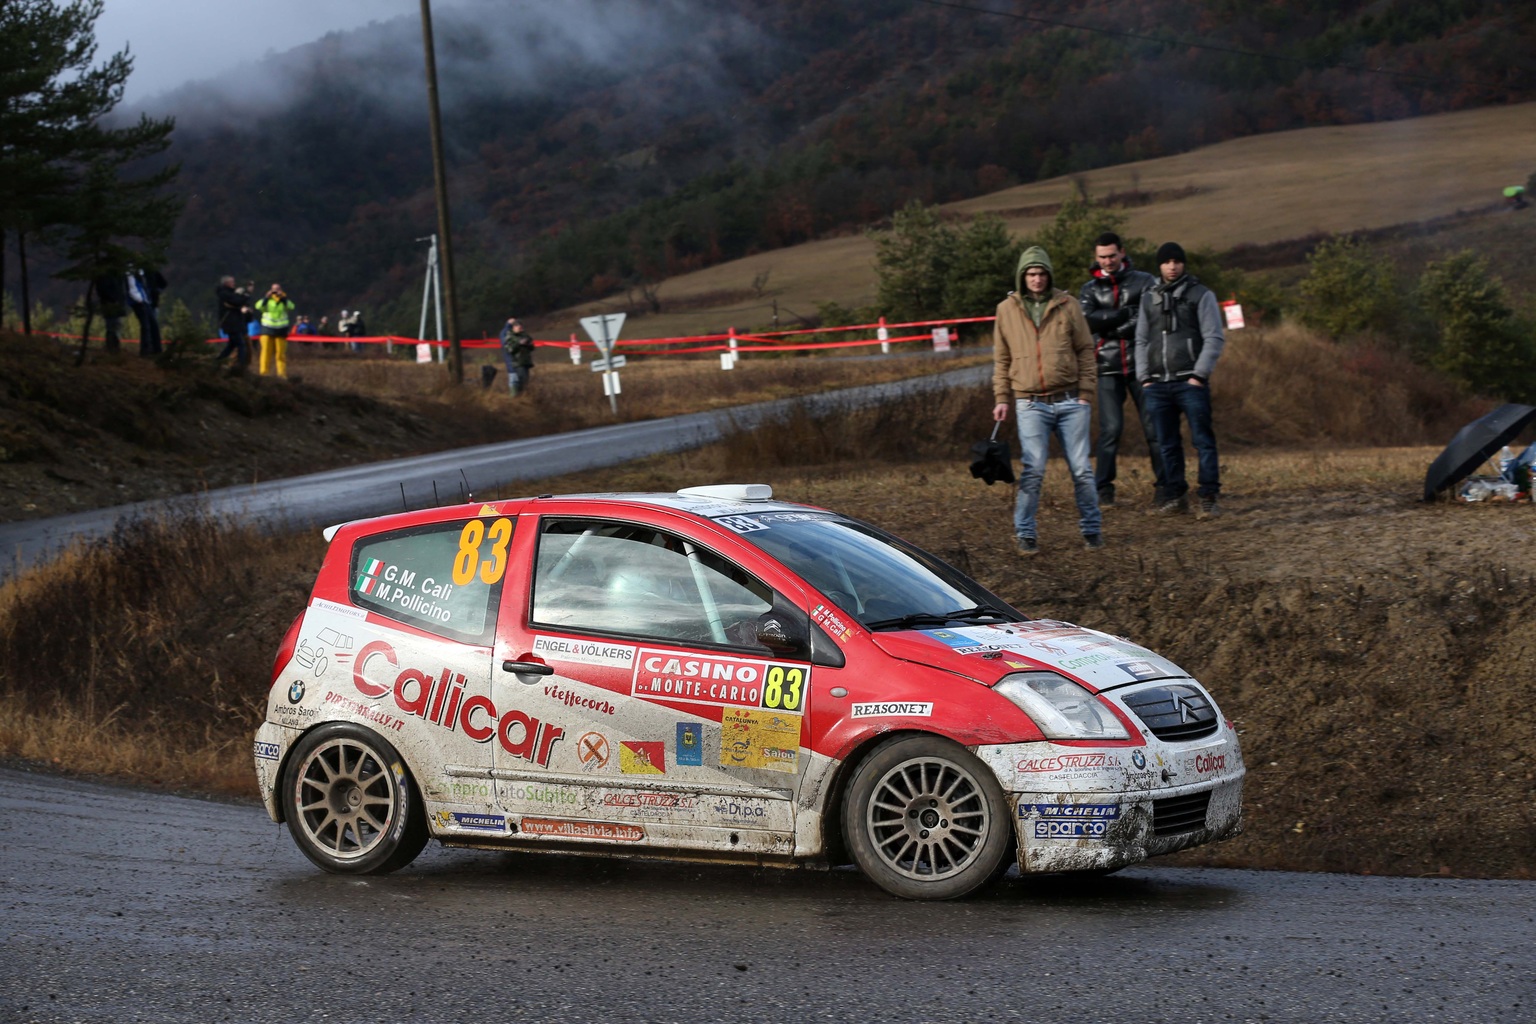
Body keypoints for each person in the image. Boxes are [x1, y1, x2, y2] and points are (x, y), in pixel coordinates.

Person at [992, 245, 1102, 555]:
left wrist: (1085, 393)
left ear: (1049, 275)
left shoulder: (1069, 305)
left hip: (1070, 402)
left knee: (1081, 468)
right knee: (1034, 468)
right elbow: (1001, 359)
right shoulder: (1006, 310)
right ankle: (1025, 532)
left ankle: (1092, 530)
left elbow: (1085, 349)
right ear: (1022, 276)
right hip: (1029, 403)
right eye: (1031, 273)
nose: (1036, 279)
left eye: (1041, 273)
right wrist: (1002, 397)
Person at [1135, 242, 1227, 518]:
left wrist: (1199, 375)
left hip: (1190, 383)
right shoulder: (1148, 297)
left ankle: (1208, 496)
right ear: (1159, 266)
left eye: (1177, 261)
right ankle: (1176, 496)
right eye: (1166, 262)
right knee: (1167, 443)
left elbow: (1214, 337)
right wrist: (1144, 378)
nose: (1172, 267)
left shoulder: (1201, 295)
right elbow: (1140, 339)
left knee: (1203, 441)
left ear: (1184, 264)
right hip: (1157, 385)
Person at [1080, 232, 1164, 508]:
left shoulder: (1145, 281)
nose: (1108, 261)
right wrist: (1122, 315)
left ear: (1122, 253)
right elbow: (1086, 323)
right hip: (1107, 367)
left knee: (1155, 430)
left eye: (1112, 255)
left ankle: (1166, 486)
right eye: (1102, 257)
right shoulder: (1089, 289)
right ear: (1096, 257)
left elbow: (1149, 319)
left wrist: (1107, 324)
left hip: (1143, 366)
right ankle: (1103, 489)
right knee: (1110, 431)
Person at [254, 282, 297, 377]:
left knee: (280, 354)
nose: (276, 291)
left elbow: (292, 307)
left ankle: (282, 374)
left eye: (278, 289)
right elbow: (258, 306)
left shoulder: (284, 300)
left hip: (281, 330)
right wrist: (266, 297)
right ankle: (264, 373)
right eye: (274, 289)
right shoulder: (267, 300)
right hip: (267, 329)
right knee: (265, 352)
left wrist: (283, 298)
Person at [126, 267, 167, 357]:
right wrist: (141, 300)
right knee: (147, 326)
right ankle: (147, 350)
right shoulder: (132, 272)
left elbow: (163, 283)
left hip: (147, 301)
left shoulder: (147, 272)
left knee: (152, 325)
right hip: (142, 302)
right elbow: (132, 289)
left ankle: (155, 349)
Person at [214, 275, 251, 368]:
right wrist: (246, 294)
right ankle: (240, 365)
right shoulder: (224, 294)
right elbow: (237, 302)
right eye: (232, 282)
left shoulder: (229, 293)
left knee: (232, 345)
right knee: (241, 344)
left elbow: (240, 302)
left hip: (235, 323)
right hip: (231, 323)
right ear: (226, 283)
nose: (234, 284)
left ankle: (218, 361)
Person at [500, 318, 535, 395]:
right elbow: (509, 349)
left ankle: (522, 396)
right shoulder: (509, 336)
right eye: (517, 326)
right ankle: (517, 397)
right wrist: (519, 343)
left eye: (520, 326)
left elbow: (532, 347)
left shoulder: (525, 335)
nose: (519, 327)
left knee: (525, 382)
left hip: (526, 362)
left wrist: (528, 344)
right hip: (517, 362)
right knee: (519, 381)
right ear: (513, 327)